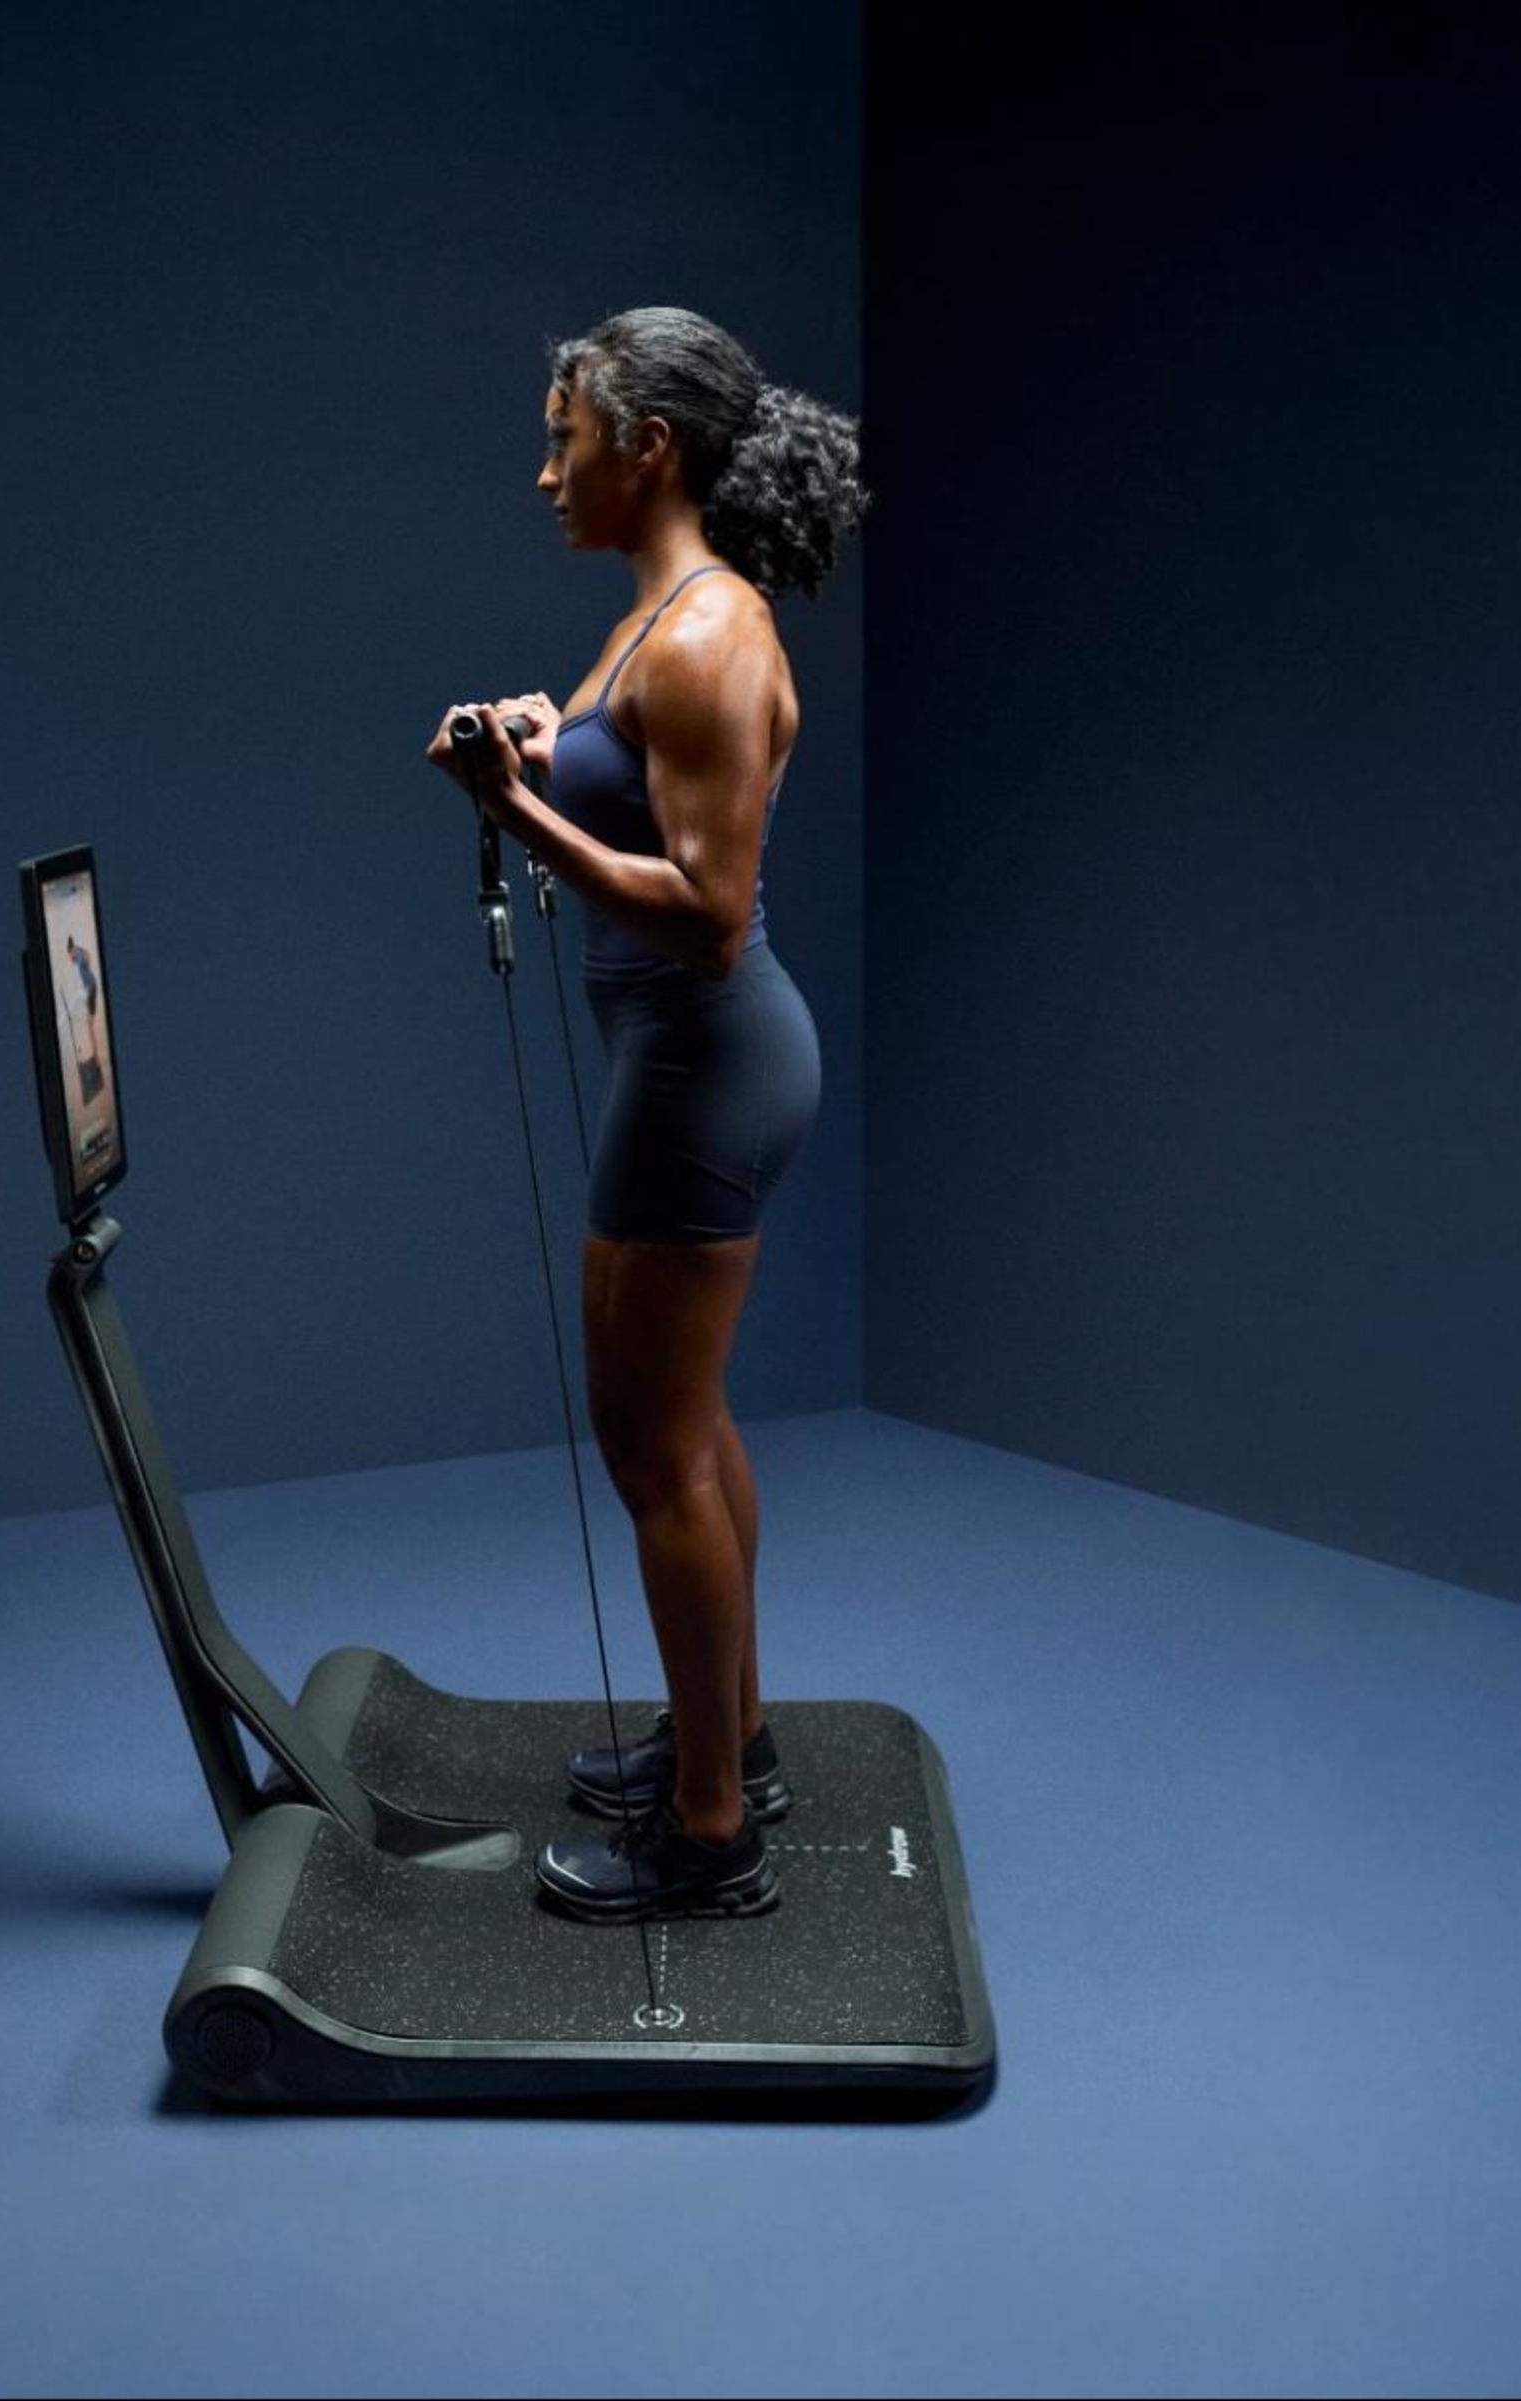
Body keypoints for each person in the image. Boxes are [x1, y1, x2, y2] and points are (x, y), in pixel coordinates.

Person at [421, 306, 872, 1923]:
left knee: (652, 1448)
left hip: (705, 1067)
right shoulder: (652, 617)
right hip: (683, 1066)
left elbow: (703, 906)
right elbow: (631, 763)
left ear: (648, 447)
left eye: (568, 437)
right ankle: (726, 1737)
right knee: (684, 1427)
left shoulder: (705, 638)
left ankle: (706, 1839)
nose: (548, 471)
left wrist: (512, 806)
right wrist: (553, 736)